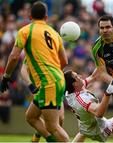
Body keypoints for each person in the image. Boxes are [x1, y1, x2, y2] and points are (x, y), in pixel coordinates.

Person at [0, 1, 69, 142]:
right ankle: (50, 140)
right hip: (56, 79)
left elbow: (13, 57)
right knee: (31, 117)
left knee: (53, 126)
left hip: (48, 82)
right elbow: (65, 61)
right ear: (46, 17)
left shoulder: (25, 31)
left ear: (30, 16)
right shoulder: (55, 33)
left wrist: (6, 76)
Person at [64, 70, 113, 142]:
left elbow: (93, 76)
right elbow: (99, 113)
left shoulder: (69, 92)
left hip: (85, 126)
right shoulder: (82, 99)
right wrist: (107, 93)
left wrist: (100, 63)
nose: (80, 76)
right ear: (75, 84)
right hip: (99, 130)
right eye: (77, 76)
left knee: (83, 132)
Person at [20, 60, 65, 142]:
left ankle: (39, 133)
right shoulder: (33, 50)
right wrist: (30, 84)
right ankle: (50, 138)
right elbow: (23, 69)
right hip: (42, 88)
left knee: (60, 118)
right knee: (39, 117)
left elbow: (64, 62)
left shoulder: (53, 50)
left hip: (56, 85)